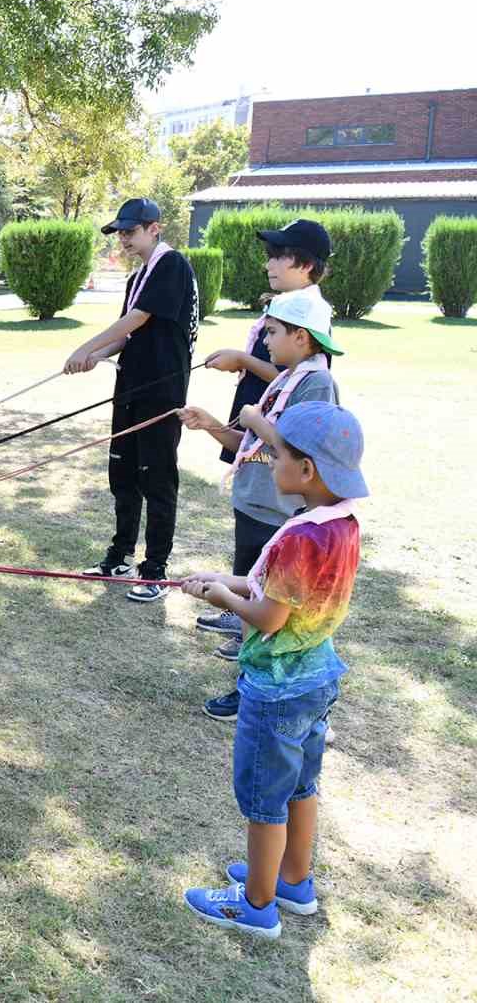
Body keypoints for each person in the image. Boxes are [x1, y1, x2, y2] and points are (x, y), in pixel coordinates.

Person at [179, 401, 366, 939]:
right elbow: (282, 591)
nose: (268, 459)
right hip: (317, 678)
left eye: (276, 454)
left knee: (265, 798)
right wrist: (226, 578)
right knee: (301, 785)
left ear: (306, 470)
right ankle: (293, 880)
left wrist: (221, 597)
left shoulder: (300, 537)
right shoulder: (340, 522)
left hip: (277, 688)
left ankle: (257, 904)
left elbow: (268, 616)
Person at [180, 224, 340, 723]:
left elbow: (299, 453)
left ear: (301, 337)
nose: (263, 342)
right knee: (252, 595)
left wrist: (254, 419)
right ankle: (249, 685)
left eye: (271, 333)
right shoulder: (282, 381)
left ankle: (255, 691)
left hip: (277, 508)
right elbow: (249, 447)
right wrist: (212, 425)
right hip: (253, 498)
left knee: (267, 608)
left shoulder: (315, 383)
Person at [63, 197, 199, 602]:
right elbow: (129, 334)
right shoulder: (137, 277)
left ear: (154, 228)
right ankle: (120, 555)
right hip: (129, 388)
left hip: (160, 392)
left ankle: (155, 569)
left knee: (157, 479)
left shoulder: (172, 265)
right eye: (120, 232)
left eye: (131, 231)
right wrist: (95, 356)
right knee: (122, 475)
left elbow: (137, 318)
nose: (123, 239)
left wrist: (84, 345)